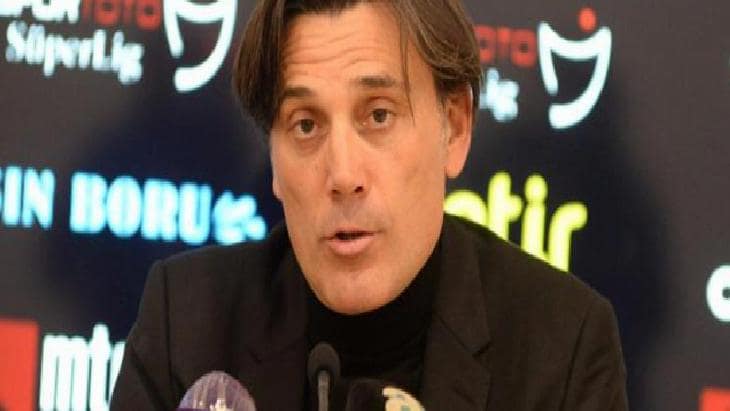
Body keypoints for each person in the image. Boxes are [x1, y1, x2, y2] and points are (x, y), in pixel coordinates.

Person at [111, 0, 628, 409]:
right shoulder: (187, 324)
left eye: (378, 115)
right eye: (305, 125)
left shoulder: (562, 349)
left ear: (455, 128)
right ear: (273, 158)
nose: (343, 175)